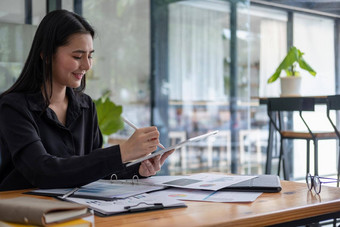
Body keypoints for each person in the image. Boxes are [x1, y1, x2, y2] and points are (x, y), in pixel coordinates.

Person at [0, 9, 173, 191]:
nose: (87, 65)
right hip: (26, 214)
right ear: (46, 55)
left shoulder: (85, 106)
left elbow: (94, 171)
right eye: (77, 56)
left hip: (76, 211)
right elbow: (41, 171)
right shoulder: (14, 107)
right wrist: (122, 152)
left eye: (89, 56)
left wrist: (139, 170)